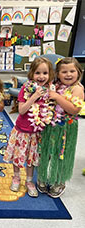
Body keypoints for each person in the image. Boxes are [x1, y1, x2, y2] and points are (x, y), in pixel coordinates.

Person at [3, 57, 55, 198]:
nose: (41, 77)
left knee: (32, 159)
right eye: (38, 73)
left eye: (45, 73)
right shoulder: (26, 88)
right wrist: (34, 97)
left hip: (37, 133)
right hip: (22, 131)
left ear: (50, 75)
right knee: (17, 157)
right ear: (32, 74)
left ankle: (29, 181)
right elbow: (21, 110)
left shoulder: (50, 90)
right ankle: (16, 177)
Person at [37, 57, 85, 198]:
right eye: (64, 72)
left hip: (65, 128)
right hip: (50, 125)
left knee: (61, 155)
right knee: (45, 152)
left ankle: (58, 181)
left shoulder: (77, 89)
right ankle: (43, 176)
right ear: (57, 74)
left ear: (79, 72)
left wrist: (57, 97)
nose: (68, 74)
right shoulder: (55, 85)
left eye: (72, 71)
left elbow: (74, 110)